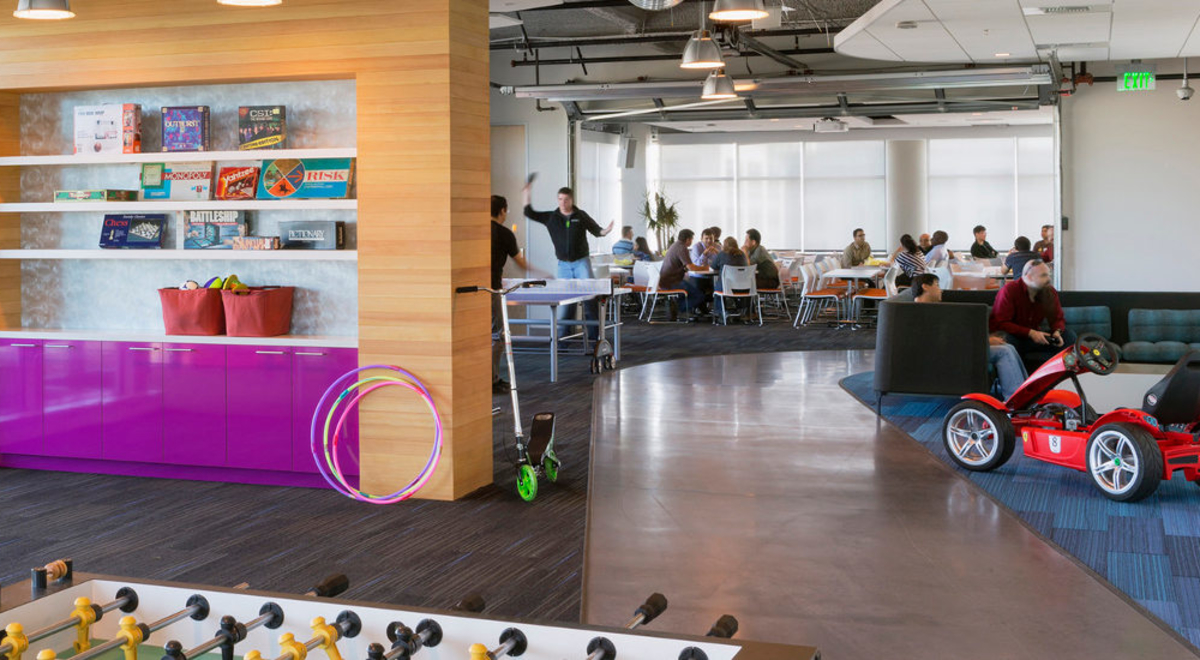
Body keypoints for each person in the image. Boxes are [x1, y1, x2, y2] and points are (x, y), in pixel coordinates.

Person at [911, 274, 1028, 400]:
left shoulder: (932, 309)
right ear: (925, 287)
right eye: (937, 285)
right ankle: (1015, 400)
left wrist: (984, 340)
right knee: (1003, 351)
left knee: (1008, 347)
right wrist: (985, 341)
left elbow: (953, 335)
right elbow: (941, 341)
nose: (941, 290)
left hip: (955, 348)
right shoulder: (918, 312)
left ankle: (1026, 392)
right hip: (946, 353)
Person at [523, 183, 614, 340]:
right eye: (560, 199)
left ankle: (595, 339)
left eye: (565, 200)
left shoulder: (581, 215)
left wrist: (605, 231)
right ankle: (564, 340)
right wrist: (527, 193)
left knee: (589, 299)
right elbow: (529, 212)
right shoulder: (551, 217)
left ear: (571, 200)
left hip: (582, 263)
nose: (562, 203)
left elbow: (596, 230)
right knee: (566, 302)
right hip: (563, 265)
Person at [990, 260, 1076, 364]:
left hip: (1035, 337)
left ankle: (1059, 373)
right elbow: (1000, 323)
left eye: (1049, 275)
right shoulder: (1009, 291)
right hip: (1014, 336)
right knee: (1007, 341)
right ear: (1029, 277)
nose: (1049, 279)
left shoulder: (1049, 291)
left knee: (1069, 336)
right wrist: (1030, 333)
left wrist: (1057, 331)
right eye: (1043, 276)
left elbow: (1057, 318)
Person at [490, 195, 533, 393]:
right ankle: (492, 379)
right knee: (497, 335)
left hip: (474, 289)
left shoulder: (476, 231)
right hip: (492, 289)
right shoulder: (505, 234)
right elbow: (520, 262)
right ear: (502, 211)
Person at [658, 229, 709, 319]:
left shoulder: (675, 245)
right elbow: (691, 267)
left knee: (693, 291)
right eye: (691, 239)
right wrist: (704, 268)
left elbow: (684, 266)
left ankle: (676, 306)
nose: (692, 241)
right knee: (699, 296)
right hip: (672, 281)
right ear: (688, 239)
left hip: (666, 280)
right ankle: (678, 308)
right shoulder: (682, 248)